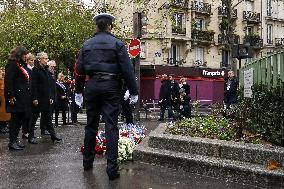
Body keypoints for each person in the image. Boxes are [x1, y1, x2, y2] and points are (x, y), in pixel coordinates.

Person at [75, 13, 138, 180]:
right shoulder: (118, 44)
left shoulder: (86, 45)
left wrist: (78, 91)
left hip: (92, 86)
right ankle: (111, 168)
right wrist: (134, 91)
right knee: (111, 126)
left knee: (91, 125)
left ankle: (87, 163)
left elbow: (79, 70)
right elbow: (127, 70)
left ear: (96, 26)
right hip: (111, 86)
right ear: (110, 26)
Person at [31, 52, 61, 142]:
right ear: (40, 59)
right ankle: (31, 136)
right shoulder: (35, 70)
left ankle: (53, 135)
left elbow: (48, 85)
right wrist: (34, 98)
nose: (47, 60)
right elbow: (33, 85)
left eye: (47, 58)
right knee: (34, 118)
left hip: (46, 98)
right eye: (45, 58)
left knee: (48, 117)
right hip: (38, 98)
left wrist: (50, 97)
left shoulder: (46, 70)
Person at [4, 46, 29, 150]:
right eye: (24, 55)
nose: (26, 57)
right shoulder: (12, 64)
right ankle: (12, 142)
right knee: (14, 120)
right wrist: (10, 95)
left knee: (19, 120)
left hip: (21, 97)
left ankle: (15, 140)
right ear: (19, 54)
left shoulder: (20, 65)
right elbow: (8, 81)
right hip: (15, 97)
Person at [0, 69, 10, 134]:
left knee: (5, 113)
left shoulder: (4, 79)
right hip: (1, 98)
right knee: (2, 113)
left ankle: (4, 126)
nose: (3, 72)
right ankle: (1, 127)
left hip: (4, 98)